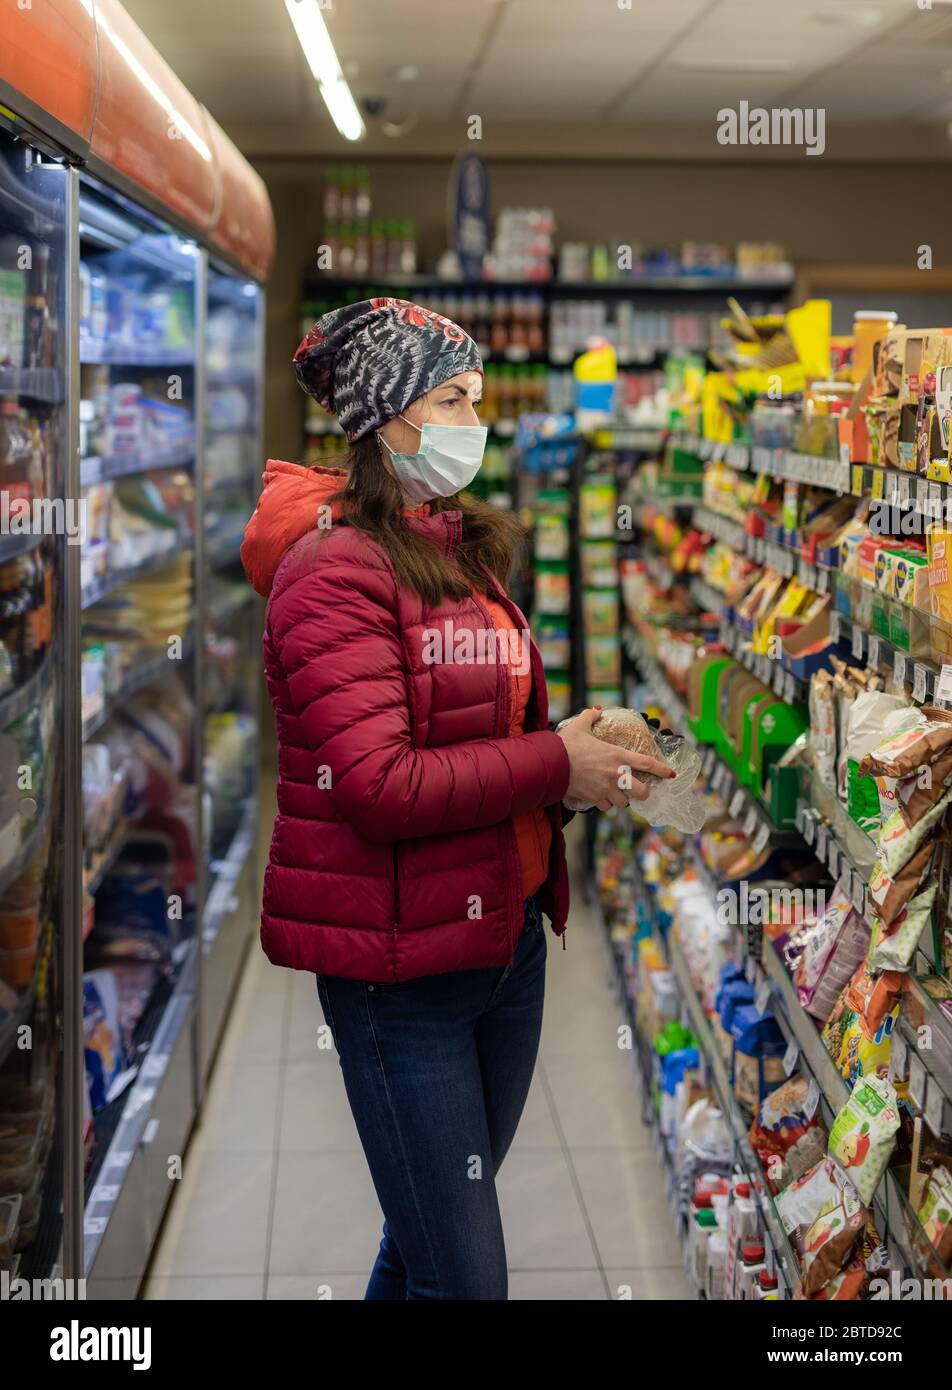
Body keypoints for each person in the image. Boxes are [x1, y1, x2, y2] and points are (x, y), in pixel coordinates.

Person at [240, 297, 673, 1301]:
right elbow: (380, 787)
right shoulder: (328, 572)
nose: (473, 419)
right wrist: (551, 763)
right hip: (401, 978)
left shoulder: (456, 552)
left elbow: (477, 732)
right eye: (449, 397)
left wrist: (578, 752)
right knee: (464, 1277)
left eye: (477, 396)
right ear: (383, 418)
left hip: (501, 946)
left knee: (426, 1245)